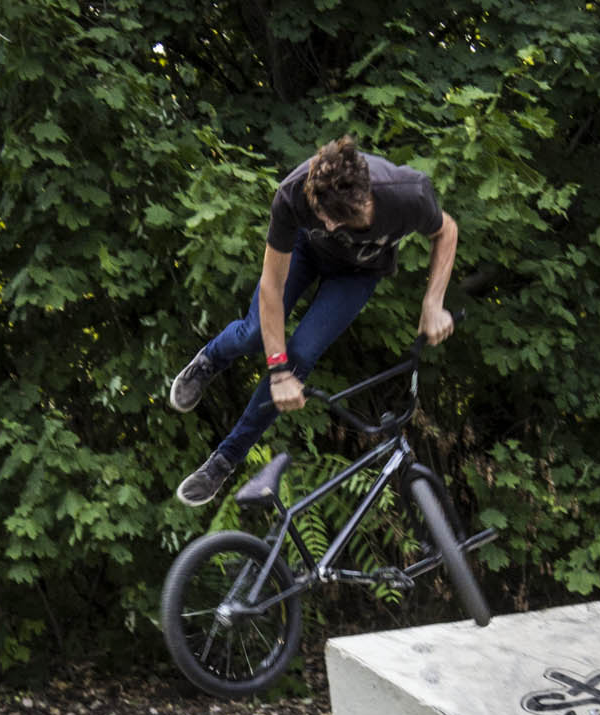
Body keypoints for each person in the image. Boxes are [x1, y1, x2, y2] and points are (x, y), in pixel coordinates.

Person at [169, 135, 459, 506]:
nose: (332, 227)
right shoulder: (293, 194)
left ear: (366, 199)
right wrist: (276, 371)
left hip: (358, 274)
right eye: (323, 217)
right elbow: (272, 285)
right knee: (257, 334)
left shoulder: (407, 194)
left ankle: (224, 459)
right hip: (304, 253)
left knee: (301, 357)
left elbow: (446, 230)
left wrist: (433, 302)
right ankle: (209, 360)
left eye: (340, 218)